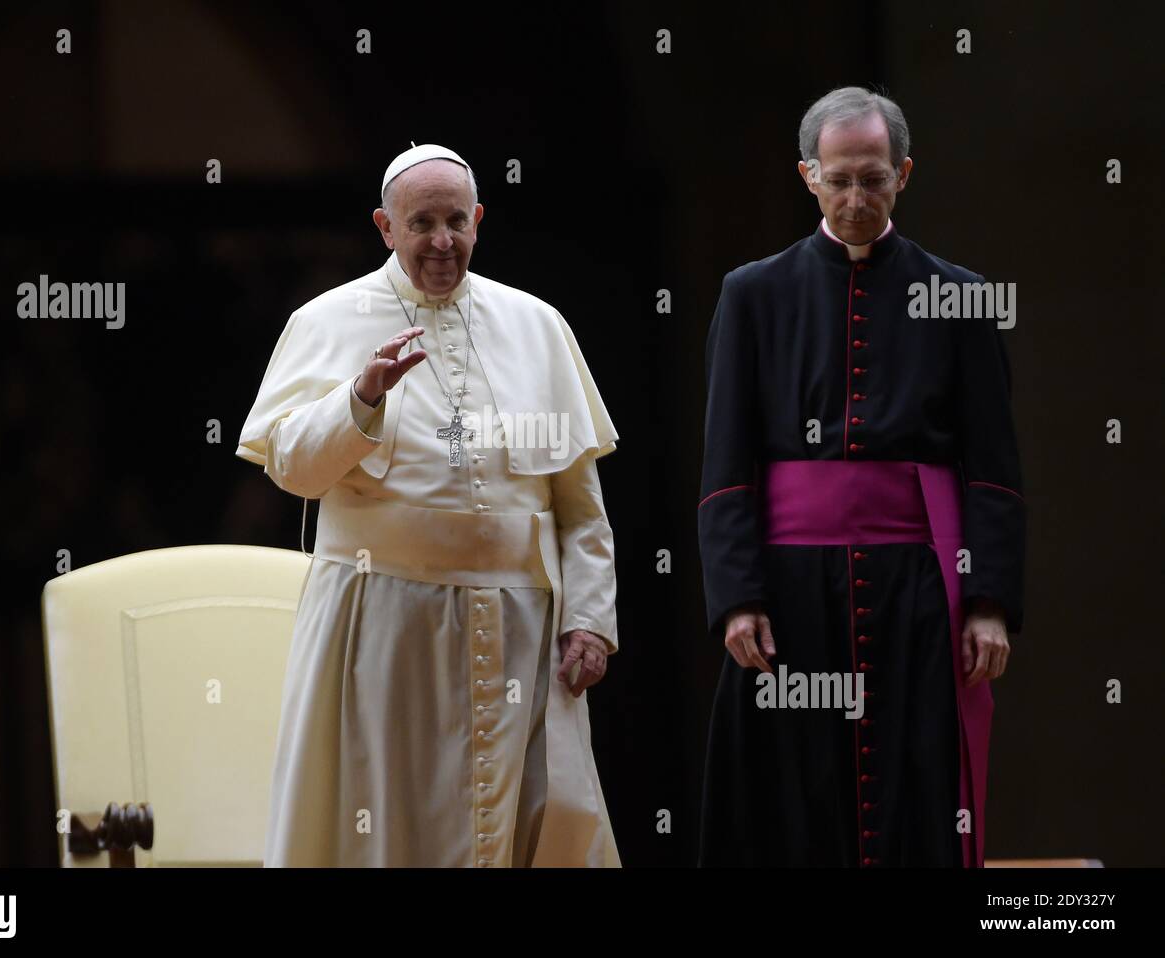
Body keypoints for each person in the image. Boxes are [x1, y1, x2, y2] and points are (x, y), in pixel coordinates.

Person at [237, 143, 622, 867]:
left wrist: (591, 622)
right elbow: (291, 469)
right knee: (389, 825)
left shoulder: (537, 325)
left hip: (522, 630)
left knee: (541, 822)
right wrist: (362, 399)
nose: (442, 242)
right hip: (381, 625)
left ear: (478, 220)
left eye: (456, 222)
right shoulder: (326, 319)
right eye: (422, 224)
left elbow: (580, 505)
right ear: (386, 227)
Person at [697, 88, 1025, 867]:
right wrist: (736, 597)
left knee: (918, 784)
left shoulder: (963, 299)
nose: (854, 198)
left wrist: (989, 604)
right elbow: (724, 461)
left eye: (873, 178)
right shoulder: (752, 293)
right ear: (808, 175)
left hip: (918, 591)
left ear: (904, 174)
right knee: (791, 795)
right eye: (838, 179)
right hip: (789, 589)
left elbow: (994, 470)